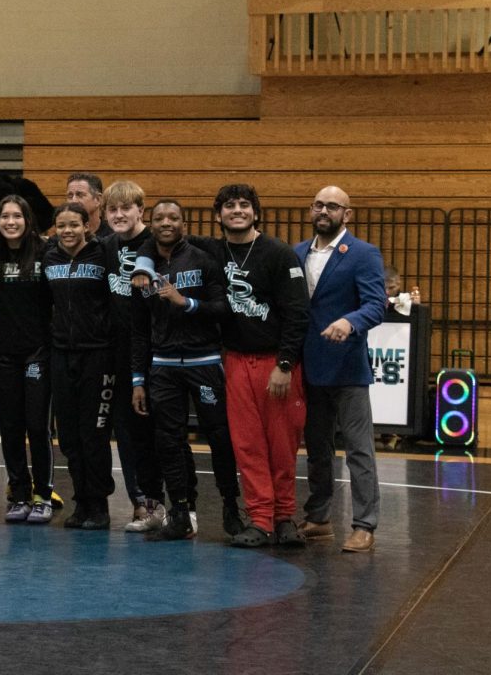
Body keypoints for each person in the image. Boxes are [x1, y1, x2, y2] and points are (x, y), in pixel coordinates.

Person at [188, 184, 310, 547]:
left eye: (244, 205)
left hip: (277, 363)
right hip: (236, 361)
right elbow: (164, 235)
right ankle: (260, 519)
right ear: (218, 214)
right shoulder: (211, 250)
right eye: (229, 206)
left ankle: (285, 516)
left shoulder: (279, 254)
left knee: (283, 444)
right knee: (248, 445)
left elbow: (298, 313)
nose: (236, 210)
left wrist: (285, 363)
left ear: (256, 212)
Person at [130, 200, 243, 541]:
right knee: (169, 441)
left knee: (220, 438)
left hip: (204, 362)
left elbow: (224, 309)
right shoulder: (142, 271)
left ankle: (231, 508)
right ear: (151, 224)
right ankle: (181, 509)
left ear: (184, 223)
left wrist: (187, 303)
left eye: (173, 217)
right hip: (162, 366)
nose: (166, 222)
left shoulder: (204, 260)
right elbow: (138, 327)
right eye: (160, 217)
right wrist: (138, 379)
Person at [295, 186, 387, 553]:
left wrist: (350, 322)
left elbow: (375, 306)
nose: (324, 211)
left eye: (332, 206)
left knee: (358, 450)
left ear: (347, 214)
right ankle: (319, 519)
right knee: (317, 449)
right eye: (318, 204)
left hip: (348, 368)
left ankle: (365, 524)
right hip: (310, 368)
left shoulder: (363, 254)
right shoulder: (297, 252)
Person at [44, 202, 119, 530]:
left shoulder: (103, 254)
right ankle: (81, 501)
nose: (68, 231)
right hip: (61, 353)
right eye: (62, 226)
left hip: (98, 355)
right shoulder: (50, 258)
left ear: (87, 226)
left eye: (74, 225)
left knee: (95, 434)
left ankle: (99, 503)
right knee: (70, 436)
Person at [102, 180, 168, 533]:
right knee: (127, 431)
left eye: (126, 208)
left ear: (140, 211)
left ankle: (180, 504)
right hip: (120, 354)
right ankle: (142, 502)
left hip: (159, 351)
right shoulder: (106, 246)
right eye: (112, 209)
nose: (119, 215)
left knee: (161, 431)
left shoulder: (157, 244)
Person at [0, 195, 54, 523]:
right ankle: (20, 493)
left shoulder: (45, 252)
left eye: (17, 216)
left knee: (38, 426)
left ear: (27, 219)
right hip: (4, 355)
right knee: (10, 427)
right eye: (5, 217)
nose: (11, 222)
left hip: (38, 352)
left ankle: (43, 494)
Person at [66, 172, 112, 239]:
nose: (74, 201)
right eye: (70, 196)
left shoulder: (114, 237)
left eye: (80, 195)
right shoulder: (60, 240)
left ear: (98, 199)